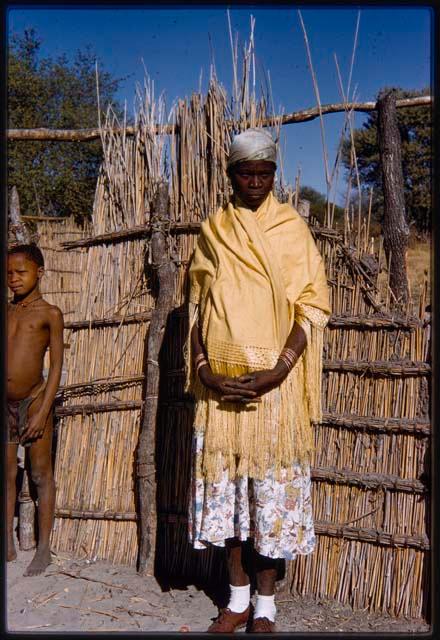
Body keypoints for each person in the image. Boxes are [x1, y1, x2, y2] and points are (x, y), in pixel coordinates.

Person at [185, 128, 331, 632]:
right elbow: (196, 311)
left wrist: (278, 370)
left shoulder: (291, 228)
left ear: (275, 174)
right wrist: (205, 373)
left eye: (263, 173)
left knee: (269, 501)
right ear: (230, 176)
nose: (255, 181)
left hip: (275, 392)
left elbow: (311, 306)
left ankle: (266, 606)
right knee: (228, 503)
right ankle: (238, 600)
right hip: (221, 394)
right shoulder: (214, 230)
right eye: (245, 173)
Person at [7, 244, 64, 576]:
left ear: (39, 273)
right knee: (7, 474)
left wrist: (43, 411)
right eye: (8, 274)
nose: (13, 279)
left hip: (34, 400)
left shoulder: (49, 314)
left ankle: (43, 550)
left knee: (40, 473)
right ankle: (8, 544)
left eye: (21, 272)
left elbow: (56, 366)